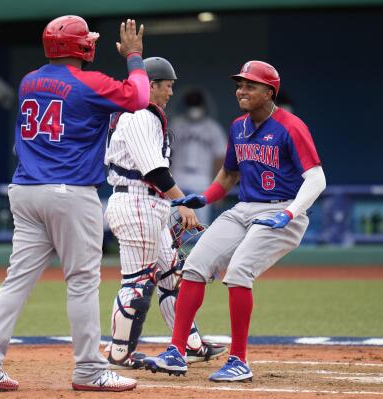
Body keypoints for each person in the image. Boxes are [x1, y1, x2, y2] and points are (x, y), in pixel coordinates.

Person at [0, 16, 149, 393]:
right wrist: (133, 57)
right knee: (82, 282)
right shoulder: (91, 82)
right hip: (69, 192)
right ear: (81, 47)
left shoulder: (29, 80)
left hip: (26, 191)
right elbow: (140, 97)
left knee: (16, 280)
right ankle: (89, 369)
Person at [142, 60, 326, 382]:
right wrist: (205, 197)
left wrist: (289, 214)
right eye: (240, 85)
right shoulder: (238, 126)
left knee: (239, 271)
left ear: (269, 91)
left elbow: (316, 179)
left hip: (281, 211)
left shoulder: (290, 126)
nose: (242, 90)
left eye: (250, 85)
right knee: (196, 264)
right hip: (244, 208)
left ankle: (239, 360)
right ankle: (176, 351)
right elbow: (229, 174)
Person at [103, 57, 227, 370]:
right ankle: (119, 354)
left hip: (148, 204)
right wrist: (182, 203)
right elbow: (155, 171)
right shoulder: (140, 115)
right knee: (137, 283)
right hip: (135, 202)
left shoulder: (145, 115)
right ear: (151, 85)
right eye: (167, 85)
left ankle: (189, 343)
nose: (171, 92)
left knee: (171, 273)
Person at [169, 89, 227, 224]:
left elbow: (220, 158)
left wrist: (217, 185)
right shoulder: (176, 124)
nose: (194, 108)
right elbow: (168, 154)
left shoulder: (213, 127)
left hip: (201, 179)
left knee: (200, 225)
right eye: (191, 104)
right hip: (178, 178)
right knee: (170, 222)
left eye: (196, 104)